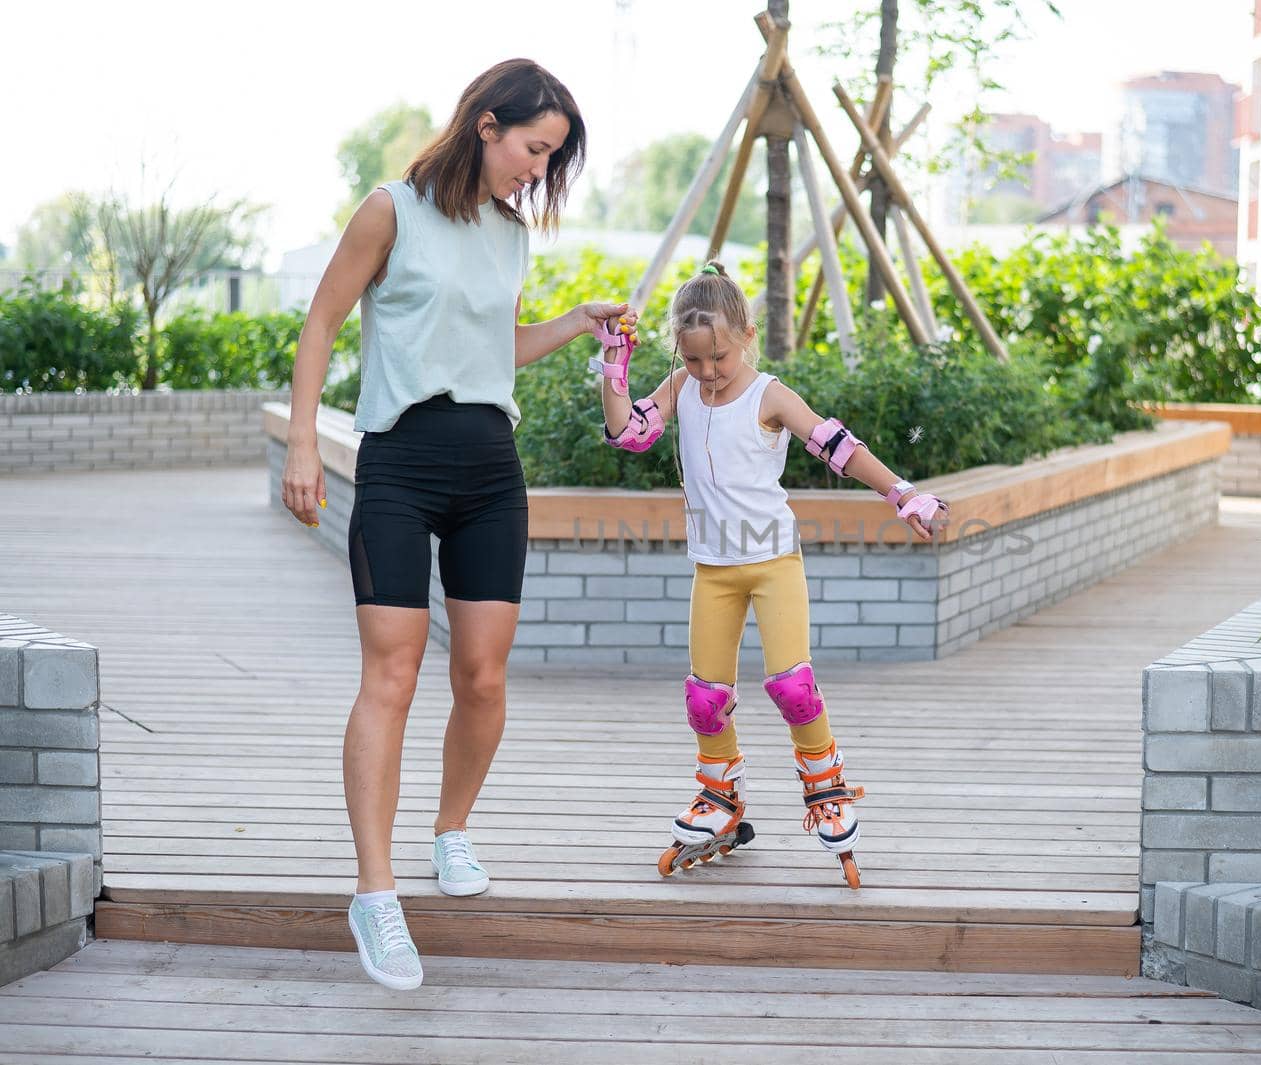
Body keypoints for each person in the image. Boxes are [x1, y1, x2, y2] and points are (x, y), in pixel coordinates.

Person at [279, 58, 632, 990]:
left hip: (489, 467)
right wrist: (304, 448)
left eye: (552, 157)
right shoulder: (390, 209)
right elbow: (320, 323)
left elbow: (495, 347)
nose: (538, 169)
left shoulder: (510, 235)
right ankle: (375, 894)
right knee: (392, 671)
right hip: (399, 459)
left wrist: (575, 321)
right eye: (533, 148)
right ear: (485, 123)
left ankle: (451, 831)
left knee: (481, 673)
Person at [593, 261, 947, 889]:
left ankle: (827, 788)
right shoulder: (680, 387)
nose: (707, 372)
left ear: (747, 335)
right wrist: (614, 367)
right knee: (705, 698)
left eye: (719, 357)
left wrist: (903, 494)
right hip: (714, 570)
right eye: (694, 359)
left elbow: (838, 446)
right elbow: (628, 433)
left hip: (772, 562)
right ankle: (720, 796)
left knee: (793, 687)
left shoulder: (770, 395)